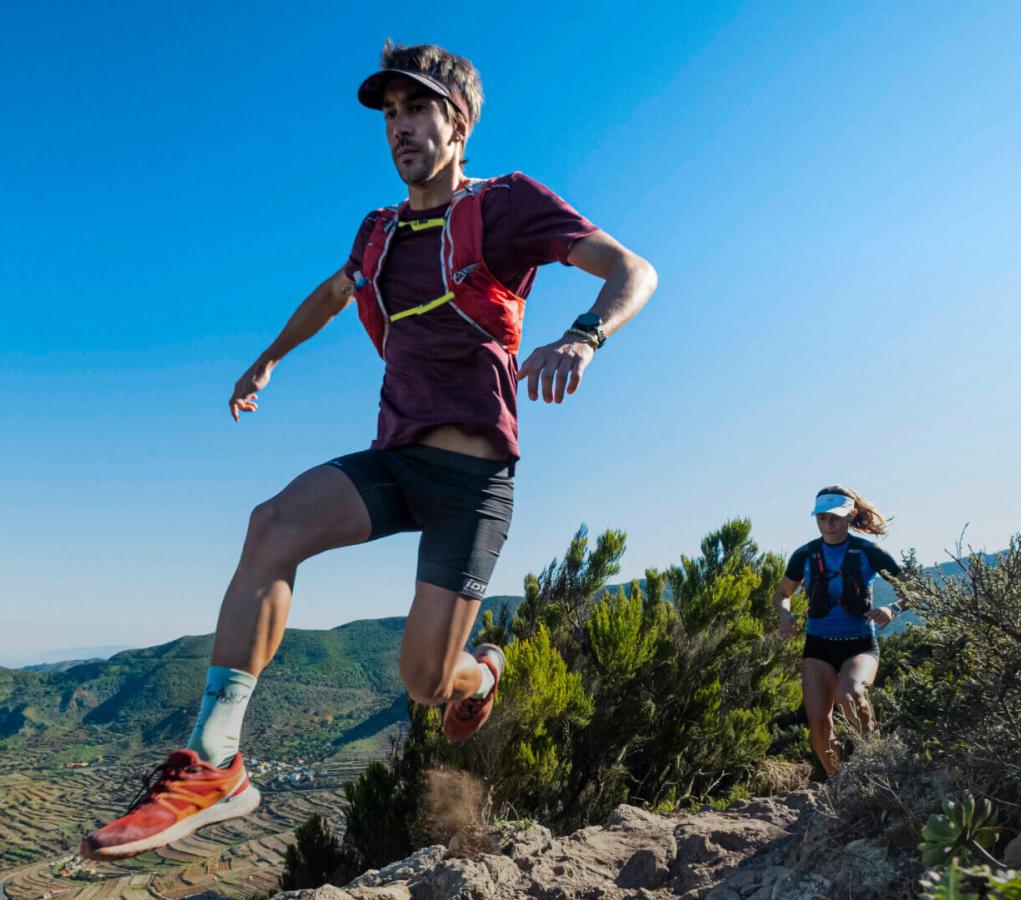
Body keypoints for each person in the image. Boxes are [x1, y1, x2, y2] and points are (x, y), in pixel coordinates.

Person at [80, 40, 658, 861]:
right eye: (389, 113)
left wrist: (584, 336)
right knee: (271, 524)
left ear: (457, 123)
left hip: (473, 481)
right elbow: (330, 292)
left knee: (424, 682)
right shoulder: (378, 232)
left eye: (417, 108)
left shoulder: (507, 203)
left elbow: (634, 269)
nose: (399, 127)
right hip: (396, 460)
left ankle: (482, 672)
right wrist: (269, 357)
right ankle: (215, 762)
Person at [773, 485, 909, 774]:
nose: (828, 523)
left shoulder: (868, 553)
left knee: (850, 694)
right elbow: (782, 593)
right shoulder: (805, 555)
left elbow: (915, 590)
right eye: (822, 517)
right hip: (818, 645)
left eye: (835, 517)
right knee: (819, 725)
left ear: (851, 516)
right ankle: (840, 783)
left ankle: (875, 764)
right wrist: (785, 615)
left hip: (859, 643)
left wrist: (892, 609)